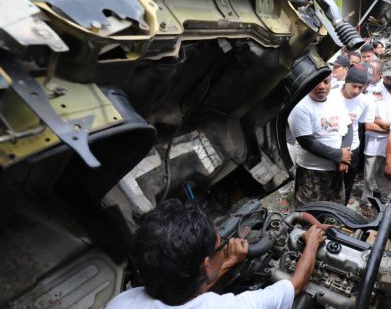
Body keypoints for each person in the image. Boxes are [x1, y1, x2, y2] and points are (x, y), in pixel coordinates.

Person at [106, 199, 326, 308]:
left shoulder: (121, 302)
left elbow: (190, 293)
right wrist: (312, 242)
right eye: (221, 246)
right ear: (206, 265)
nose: (225, 247)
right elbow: (296, 284)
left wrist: (230, 260)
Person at [288, 76, 353, 205]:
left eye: (326, 81)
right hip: (312, 171)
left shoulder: (335, 102)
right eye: (316, 82)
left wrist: (345, 156)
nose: (322, 86)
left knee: (334, 210)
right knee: (309, 213)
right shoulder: (300, 107)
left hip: (335, 169)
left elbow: (349, 128)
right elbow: (307, 142)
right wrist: (339, 155)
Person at [361, 60, 391, 213]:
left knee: (388, 173)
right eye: (387, 78)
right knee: (369, 175)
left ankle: (386, 198)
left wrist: (383, 124)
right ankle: (366, 200)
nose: (390, 81)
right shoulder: (374, 93)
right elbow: (369, 124)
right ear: (382, 75)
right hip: (374, 142)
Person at [330, 65, 370, 204]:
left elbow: (359, 124)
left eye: (360, 87)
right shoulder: (331, 96)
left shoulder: (364, 101)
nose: (356, 91)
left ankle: (342, 208)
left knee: (348, 182)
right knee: (330, 181)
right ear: (346, 81)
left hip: (352, 148)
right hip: (332, 146)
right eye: (354, 86)